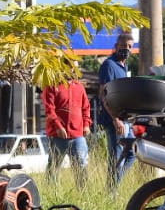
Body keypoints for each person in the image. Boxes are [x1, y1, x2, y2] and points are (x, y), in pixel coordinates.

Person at [98, 32, 135, 184]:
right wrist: (116, 119)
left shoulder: (124, 66)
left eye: (129, 46)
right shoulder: (109, 65)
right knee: (116, 157)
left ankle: (115, 184)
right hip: (114, 121)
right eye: (123, 46)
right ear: (116, 46)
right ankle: (111, 192)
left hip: (125, 120)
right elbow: (104, 94)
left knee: (132, 153)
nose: (126, 49)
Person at [42, 77, 92, 183]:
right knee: (53, 168)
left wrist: (86, 125)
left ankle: (83, 192)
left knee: (81, 166)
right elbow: (49, 109)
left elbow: (86, 107)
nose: (73, 70)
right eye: (70, 68)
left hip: (77, 136)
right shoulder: (52, 85)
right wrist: (58, 126)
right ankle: (50, 191)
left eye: (74, 68)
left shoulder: (79, 87)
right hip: (57, 136)